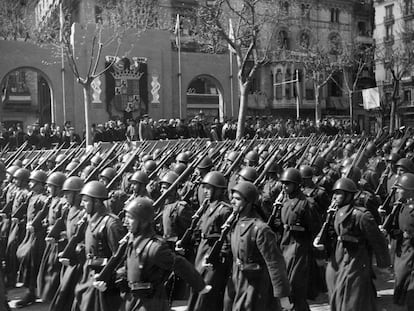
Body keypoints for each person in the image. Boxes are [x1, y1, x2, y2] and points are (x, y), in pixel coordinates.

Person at [93, 197, 211, 311]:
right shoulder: (132, 241)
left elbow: (179, 264)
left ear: (143, 221)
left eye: (130, 218)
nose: (125, 222)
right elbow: (129, 269)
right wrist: (108, 281)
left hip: (151, 303)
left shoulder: (155, 248)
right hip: (132, 301)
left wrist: (200, 285)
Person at [317, 178, 390, 311]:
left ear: (349, 195)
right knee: (336, 291)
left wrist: (383, 263)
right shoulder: (335, 213)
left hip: (356, 258)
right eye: (335, 193)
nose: (335, 196)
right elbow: (331, 235)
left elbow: (377, 240)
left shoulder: (361, 215)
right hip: (338, 256)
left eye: (339, 193)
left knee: (353, 297)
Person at [227, 181, 291, 311]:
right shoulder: (236, 223)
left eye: (237, 199)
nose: (233, 202)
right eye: (232, 198)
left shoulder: (260, 229)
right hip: (239, 280)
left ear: (249, 202)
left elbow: (275, 263)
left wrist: (282, 295)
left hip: (257, 285)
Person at [71, 181, 126, 311]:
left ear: (96, 202)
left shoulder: (111, 223)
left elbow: (119, 257)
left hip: (104, 282)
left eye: (85, 201)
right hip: (88, 276)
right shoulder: (90, 219)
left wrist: (109, 281)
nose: (82, 204)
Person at [279, 167, 318, 311]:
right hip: (285, 246)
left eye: (287, 184)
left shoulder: (306, 203)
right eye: (283, 183)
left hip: (300, 248)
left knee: (295, 287)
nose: (284, 186)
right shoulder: (283, 201)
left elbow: (315, 228)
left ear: (296, 185)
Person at [15, 170, 49, 307]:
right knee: (25, 259)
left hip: (39, 236)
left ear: (41, 184)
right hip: (30, 234)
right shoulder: (32, 196)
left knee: (33, 263)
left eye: (33, 182)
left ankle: (31, 293)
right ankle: (29, 290)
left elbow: (47, 219)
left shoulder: (44, 199)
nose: (31, 184)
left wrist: (38, 226)